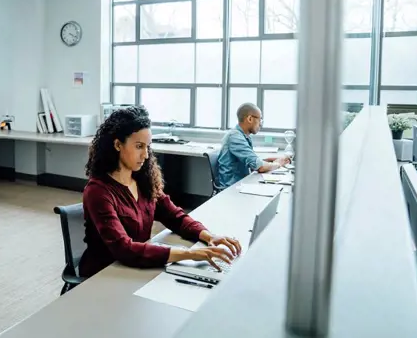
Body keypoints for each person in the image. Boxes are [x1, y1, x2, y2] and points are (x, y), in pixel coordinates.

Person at [79, 105, 242, 279]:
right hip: (103, 275)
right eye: (139, 146)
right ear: (118, 144)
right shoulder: (98, 191)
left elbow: (175, 217)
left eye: (148, 147)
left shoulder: (143, 180)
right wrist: (189, 254)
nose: (146, 155)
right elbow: (123, 249)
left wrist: (209, 237)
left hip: (136, 267)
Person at [217, 103, 290, 189]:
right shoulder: (235, 137)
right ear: (250, 119)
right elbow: (260, 167)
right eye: (260, 120)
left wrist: (270, 159)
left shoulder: (244, 136)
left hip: (241, 184)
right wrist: (278, 164)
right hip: (230, 190)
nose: (261, 124)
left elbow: (252, 162)